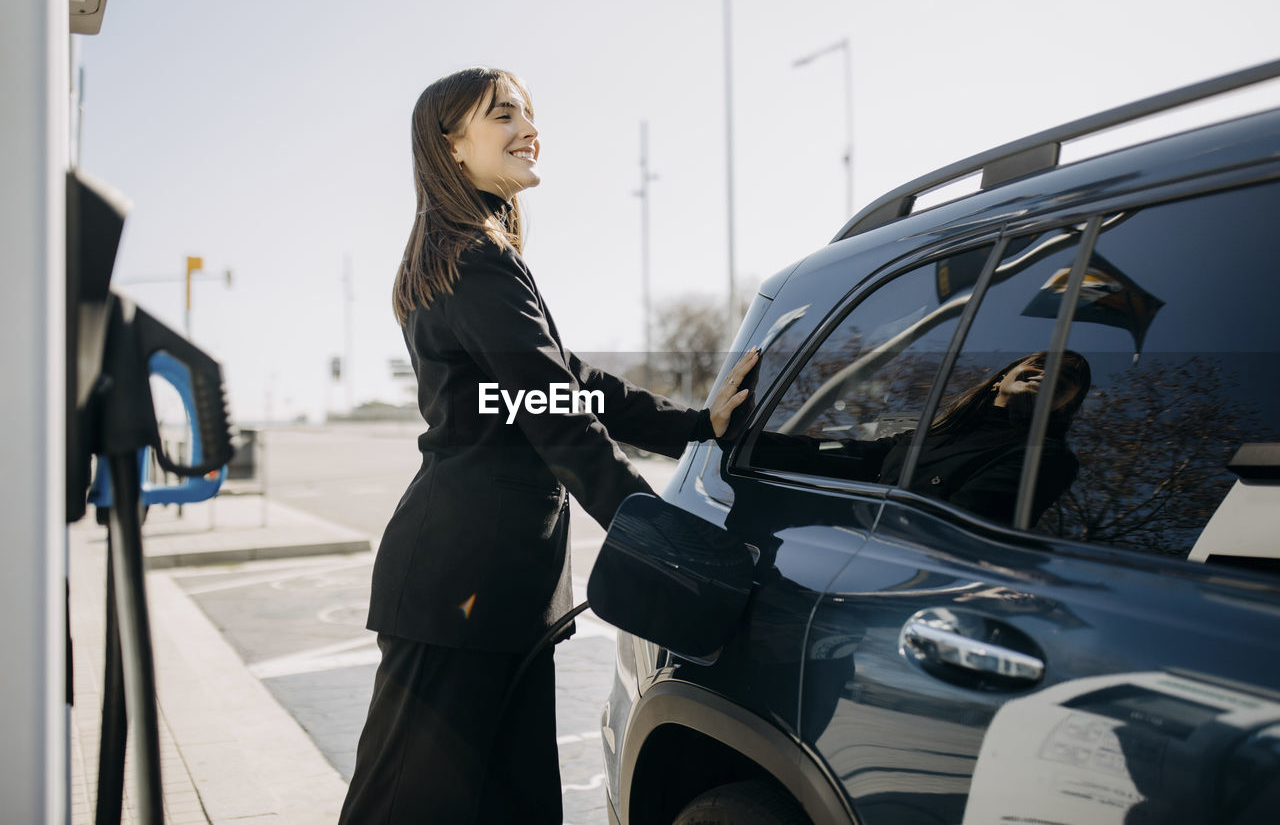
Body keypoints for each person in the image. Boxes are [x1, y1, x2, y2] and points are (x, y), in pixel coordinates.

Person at [338, 67, 759, 824]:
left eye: (530, 113)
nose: (529, 127)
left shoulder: (473, 256)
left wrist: (696, 424)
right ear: (452, 147)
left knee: (518, 809)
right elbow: (558, 416)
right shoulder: (473, 260)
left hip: (496, 592)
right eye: (504, 115)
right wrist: (667, 543)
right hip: (457, 591)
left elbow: (568, 379)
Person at [755, 351, 1091, 525]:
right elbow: (836, 452)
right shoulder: (930, 435)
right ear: (999, 380)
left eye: (1065, 379)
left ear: (1062, 408)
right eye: (1042, 364)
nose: (1047, 374)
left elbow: (956, 527)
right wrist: (731, 436)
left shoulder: (1046, 458)